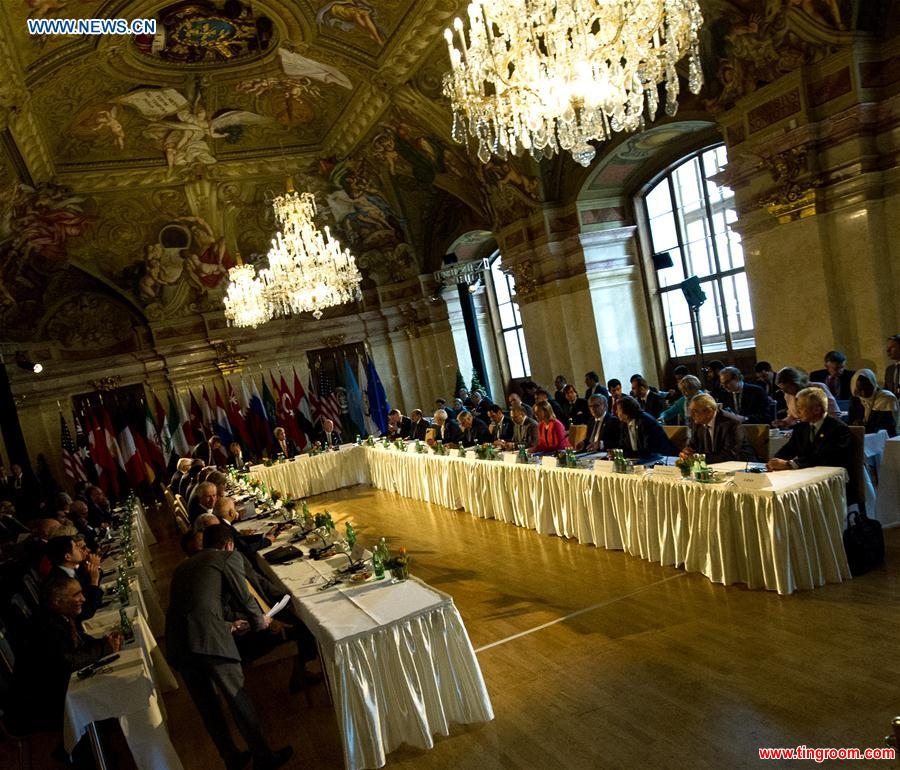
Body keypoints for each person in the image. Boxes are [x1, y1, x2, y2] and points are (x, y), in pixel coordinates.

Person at [165, 525, 292, 770]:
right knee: (237, 698)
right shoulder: (227, 558)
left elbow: (201, 604)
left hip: (178, 645)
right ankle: (263, 758)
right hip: (210, 640)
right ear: (229, 544)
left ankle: (231, 757)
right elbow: (244, 596)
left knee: (208, 707)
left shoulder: (184, 566)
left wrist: (230, 623)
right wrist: (260, 622)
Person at [14, 575, 122, 732]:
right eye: (76, 595)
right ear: (58, 602)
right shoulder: (46, 626)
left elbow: (80, 640)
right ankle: (91, 746)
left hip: (56, 687)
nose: (83, 599)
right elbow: (67, 662)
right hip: (40, 702)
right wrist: (104, 648)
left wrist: (104, 643)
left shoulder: (60, 615)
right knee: (107, 690)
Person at [767, 389, 854, 501]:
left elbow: (824, 458)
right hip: (805, 478)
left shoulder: (838, 429)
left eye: (801, 408)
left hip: (830, 483)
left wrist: (790, 464)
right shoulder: (801, 427)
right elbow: (789, 448)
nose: (798, 412)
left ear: (817, 409)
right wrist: (775, 461)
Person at [680, 394, 755, 464]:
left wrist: (698, 458)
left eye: (695, 411)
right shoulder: (696, 422)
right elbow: (693, 446)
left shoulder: (731, 423)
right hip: (712, 465)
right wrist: (687, 452)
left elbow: (730, 454)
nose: (691, 415)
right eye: (690, 411)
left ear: (709, 412)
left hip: (740, 465)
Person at [45, 534, 103, 620]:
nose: (80, 550)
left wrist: (94, 571)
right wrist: (94, 581)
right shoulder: (60, 579)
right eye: (76, 547)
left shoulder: (72, 570)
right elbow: (85, 612)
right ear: (68, 556)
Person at [616, 395, 678, 463]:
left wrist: (630, 455)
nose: (616, 412)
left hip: (661, 459)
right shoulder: (624, 423)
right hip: (640, 459)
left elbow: (649, 449)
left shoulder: (645, 421)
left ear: (627, 411)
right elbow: (622, 446)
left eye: (618, 410)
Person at [774, 367, 839, 427]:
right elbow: (793, 416)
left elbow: (834, 413)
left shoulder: (818, 388)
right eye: (782, 389)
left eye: (787, 388)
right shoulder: (788, 395)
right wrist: (784, 422)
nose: (785, 392)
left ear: (796, 383)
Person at [848, 369, 899, 436]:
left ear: (873, 384)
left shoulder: (886, 398)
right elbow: (851, 421)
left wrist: (865, 427)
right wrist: (855, 424)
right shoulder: (856, 399)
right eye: (860, 389)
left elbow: (887, 427)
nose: (864, 393)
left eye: (867, 388)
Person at [884, 334, 900, 398]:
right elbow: (887, 390)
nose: (887, 350)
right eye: (887, 347)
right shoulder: (889, 370)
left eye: (892, 347)